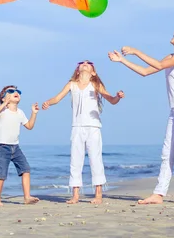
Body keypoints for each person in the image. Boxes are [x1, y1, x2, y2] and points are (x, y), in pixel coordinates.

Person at [108, 26, 174, 206]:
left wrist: (135, 51)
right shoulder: (170, 57)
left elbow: (158, 65)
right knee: (167, 154)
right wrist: (122, 60)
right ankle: (158, 194)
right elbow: (145, 72)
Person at [42, 60, 125, 204]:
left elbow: (111, 100)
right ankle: (75, 195)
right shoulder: (71, 85)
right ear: (78, 70)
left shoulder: (96, 85)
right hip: (77, 127)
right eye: (82, 62)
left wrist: (118, 96)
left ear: (93, 72)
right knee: (75, 160)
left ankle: (98, 194)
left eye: (89, 63)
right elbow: (57, 97)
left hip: (93, 127)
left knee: (95, 159)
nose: (85, 63)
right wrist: (48, 102)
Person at [0, 85, 40, 206]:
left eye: (17, 91)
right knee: (1, 174)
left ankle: (27, 197)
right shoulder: (2, 110)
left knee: (25, 169)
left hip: (15, 147)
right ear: (4, 97)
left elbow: (29, 126)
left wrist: (34, 113)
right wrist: (3, 104)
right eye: (11, 91)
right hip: (2, 146)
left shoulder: (20, 112)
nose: (16, 92)